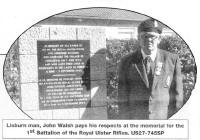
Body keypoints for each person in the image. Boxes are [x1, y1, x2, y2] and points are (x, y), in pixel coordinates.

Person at [117, 18, 183, 119]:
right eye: (144, 36)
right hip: (136, 121)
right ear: (138, 38)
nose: (149, 40)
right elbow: (122, 96)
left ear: (159, 39)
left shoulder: (172, 60)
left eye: (153, 36)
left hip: (162, 119)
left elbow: (177, 95)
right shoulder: (126, 61)